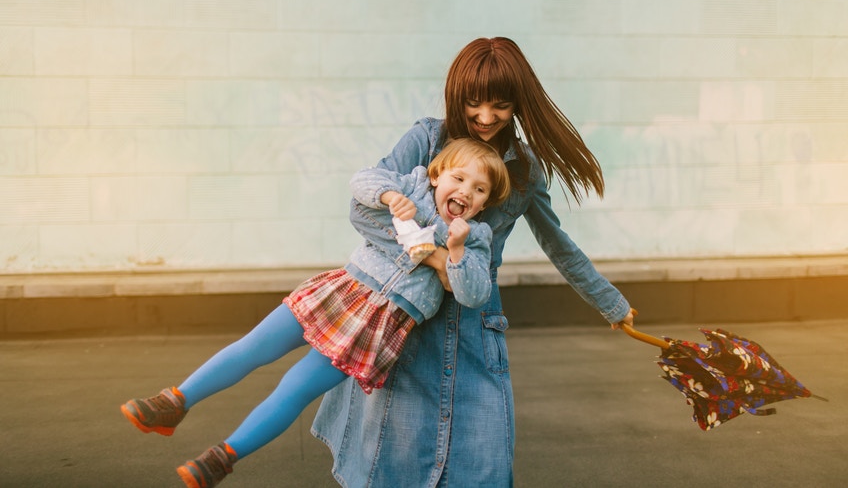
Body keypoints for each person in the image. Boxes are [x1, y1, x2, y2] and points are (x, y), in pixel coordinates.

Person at [312, 37, 638, 487]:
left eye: (500, 106)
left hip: (476, 320)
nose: (486, 118)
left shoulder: (523, 168)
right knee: (394, 462)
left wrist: (611, 303)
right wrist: (440, 261)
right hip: (407, 315)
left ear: (517, 103)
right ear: (457, 96)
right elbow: (362, 211)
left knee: (482, 462)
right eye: (474, 104)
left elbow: (557, 243)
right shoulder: (427, 138)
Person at [120, 138, 511, 488]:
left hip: (378, 327)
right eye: (458, 179)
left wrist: (455, 252)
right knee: (254, 346)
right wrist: (391, 198)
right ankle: (175, 402)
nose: (465, 192)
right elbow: (363, 181)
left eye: (479, 190)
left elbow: (474, 293)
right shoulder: (411, 186)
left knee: (296, 388)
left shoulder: (475, 238)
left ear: (486, 202)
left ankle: (222, 458)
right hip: (343, 290)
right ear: (437, 174)